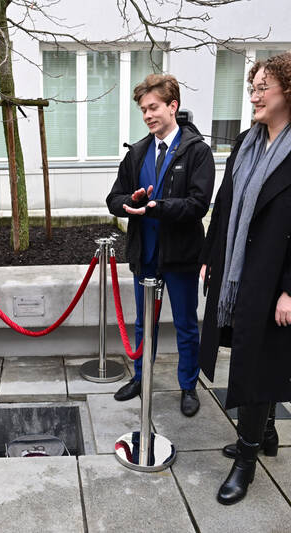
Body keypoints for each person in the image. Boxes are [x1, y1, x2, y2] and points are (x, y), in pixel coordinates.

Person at [198, 53, 291, 505]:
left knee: (257, 365)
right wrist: (210, 256)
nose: (254, 96)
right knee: (250, 355)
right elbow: (225, 205)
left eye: (264, 87)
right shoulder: (247, 141)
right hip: (239, 274)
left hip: (278, 280)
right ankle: (265, 434)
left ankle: (245, 460)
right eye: (253, 87)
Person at [106, 74, 215, 417]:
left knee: (185, 324)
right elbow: (113, 199)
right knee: (144, 324)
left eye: (153, 107)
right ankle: (141, 378)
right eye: (143, 110)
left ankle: (188, 386)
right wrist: (131, 201)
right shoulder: (137, 153)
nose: (148, 115)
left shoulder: (197, 151)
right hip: (146, 255)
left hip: (181, 256)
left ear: (172, 106)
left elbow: (198, 204)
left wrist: (157, 207)